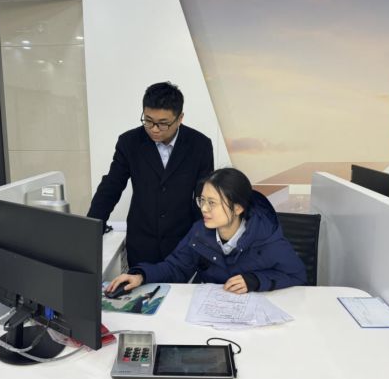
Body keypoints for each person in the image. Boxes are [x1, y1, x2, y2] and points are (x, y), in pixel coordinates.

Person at [106, 168, 307, 295]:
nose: (203, 209)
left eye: (212, 203)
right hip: (209, 310)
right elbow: (176, 267)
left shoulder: (267, 237)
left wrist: (255, 281)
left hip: (253, 314)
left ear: (238, 208)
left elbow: (297, 275)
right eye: (202, 200)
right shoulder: (200, 231)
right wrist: (141, 275)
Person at [87, 82, 214, 266]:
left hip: (183, 242)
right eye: (148, 120)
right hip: (142, 243)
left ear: (180, 118)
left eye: (163, 123)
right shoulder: (129, 142)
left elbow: (204, 197)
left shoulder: (200, 145)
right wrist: (91, 230)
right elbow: (111, 187)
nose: (154, 129)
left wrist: (204, 241)